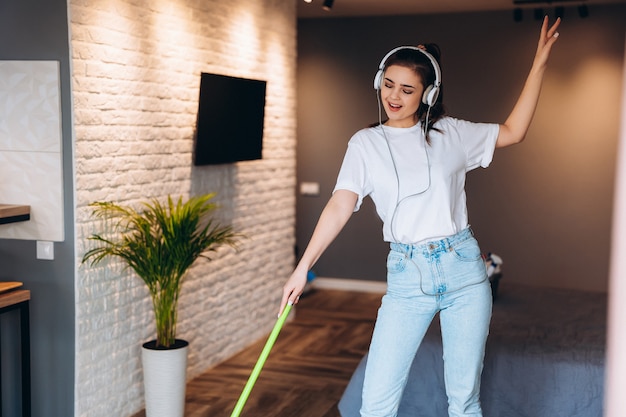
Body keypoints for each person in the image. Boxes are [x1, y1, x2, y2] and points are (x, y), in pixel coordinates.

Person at [279, 16, 561, 417]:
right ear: (379, 82)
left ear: (427, 95)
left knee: (464, 401)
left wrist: (539, 64)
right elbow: (340, 204)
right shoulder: (365, 144)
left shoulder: (451, 133)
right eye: (388, 84)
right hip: (407, 276)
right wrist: (302, 268)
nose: (394, 96)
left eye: (407, 89)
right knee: (375, 404)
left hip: (464, 271)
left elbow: (514, 130)